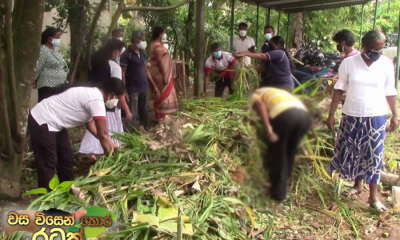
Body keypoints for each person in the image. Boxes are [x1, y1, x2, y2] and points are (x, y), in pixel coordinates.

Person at [327, 30, 398, 212]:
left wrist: (395, 115)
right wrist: (331, 114)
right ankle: (358, 185)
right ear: (364, 47)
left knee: (374, 155)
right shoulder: (349, 63)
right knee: (354, 151)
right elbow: (339, 88)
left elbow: (390, 90)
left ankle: (373, 197)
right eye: (374, 49)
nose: (377, 53)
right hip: (352, 115)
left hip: (376, 116)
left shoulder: (386, 64)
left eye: (380, 49)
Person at [28, 78, 124, 191]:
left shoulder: (93, 95)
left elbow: (92, 127)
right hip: (43, 119)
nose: (116, 101)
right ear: (111, 94)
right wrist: (111, 159)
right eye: (117, 98)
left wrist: (109, 142)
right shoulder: (96, 99)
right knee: (48, 162)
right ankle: (46, 199)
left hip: (56, 123)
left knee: (66, 157)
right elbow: (103, 134)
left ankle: (67, 191)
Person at [252, 87, 312, 201]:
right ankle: (284, 183)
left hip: (286, 116)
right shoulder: (275, 92)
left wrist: (268, 129)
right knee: (290, 151)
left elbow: (260, 104)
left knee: (278, 152)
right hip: (304, 117)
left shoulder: (256, 93)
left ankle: (278, 194)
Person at [79, 39, 131, 159]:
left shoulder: (95, 62)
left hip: (93, 98)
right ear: (115, 52)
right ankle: (109, 151)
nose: (119, 55)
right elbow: (117, 89)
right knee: (108, 129)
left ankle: (92, 152)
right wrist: (127, 110)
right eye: (119, 53)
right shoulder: (114, 67)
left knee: (94, 124)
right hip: (107, 103)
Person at [121, 30, 159, 132]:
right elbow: (122, 74)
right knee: (132, 113)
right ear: (136, 40)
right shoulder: (126, 55)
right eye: (143, 40)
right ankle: (128, 134)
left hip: (144, 87)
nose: (144, 42)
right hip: (132, 88)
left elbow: (146, 70)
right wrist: (124, 90)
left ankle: (146, 130)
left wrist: (153, 85)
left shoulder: (142, 53)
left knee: (145, 111)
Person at [148, 26, 178, 120]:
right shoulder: (157, 47)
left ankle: (163, 117)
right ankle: (163, 118)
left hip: (159, 73)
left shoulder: (154, 44)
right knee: (164, 96)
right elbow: (160, 62)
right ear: (160, 34)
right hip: (160, 75)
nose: (165, 34)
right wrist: (165, 75)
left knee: (162, 95)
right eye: (164, 32)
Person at [34, 27, 68, 102]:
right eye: (57, 38)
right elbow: (38, 66)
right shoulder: (43, 50)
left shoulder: (55, 50)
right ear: (49, 39)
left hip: (59, 85)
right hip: (47, 85)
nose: (59, 40)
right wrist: (34, 79)